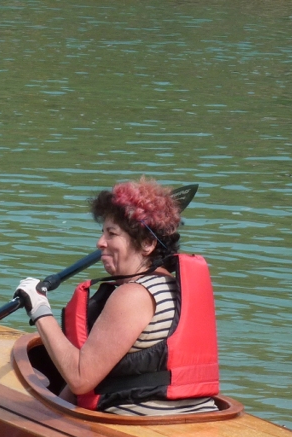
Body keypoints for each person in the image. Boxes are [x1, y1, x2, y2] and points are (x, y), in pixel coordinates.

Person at [14, 178, 220, 416]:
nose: (100, 243)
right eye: (102, 232)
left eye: (112, 234)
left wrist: (39, 308)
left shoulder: (133, 296)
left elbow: (80, 379)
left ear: (147, 243)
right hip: (200, 415)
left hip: (145, 426)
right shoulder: (172, 286)